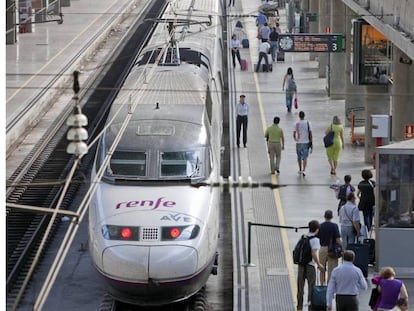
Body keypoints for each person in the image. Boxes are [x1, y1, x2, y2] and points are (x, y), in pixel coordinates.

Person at [296, 220, 324, 311]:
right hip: (310, 266)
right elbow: (314, 254)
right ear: (317, 229)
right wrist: (319, 264)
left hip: (301, 265)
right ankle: (310, 307)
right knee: (311, 287)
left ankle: (299, 307)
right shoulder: (315, 240)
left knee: (300, 287)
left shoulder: (303, 237)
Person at [316, 210, 342, 285]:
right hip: (332, 250)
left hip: (322, 248)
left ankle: (322, 285)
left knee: (322, 268)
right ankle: (329, 286)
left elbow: (316, 236)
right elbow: (337, 239)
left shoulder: (320, 226)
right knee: (332, 270)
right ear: (332, 217)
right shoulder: (334, 226)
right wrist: (342, 248)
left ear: (324, 216)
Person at [293, 111, 312, 177]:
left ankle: (300, 169)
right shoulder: (308, 123)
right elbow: (310, 133)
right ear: (304, 115)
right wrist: (311, 142)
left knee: (299, 157)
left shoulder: (296, 123)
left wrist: (296, 139)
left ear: (299, 116)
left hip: (298, 143)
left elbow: (294, 134)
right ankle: (304, 170)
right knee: (305, 157)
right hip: (306, 142)